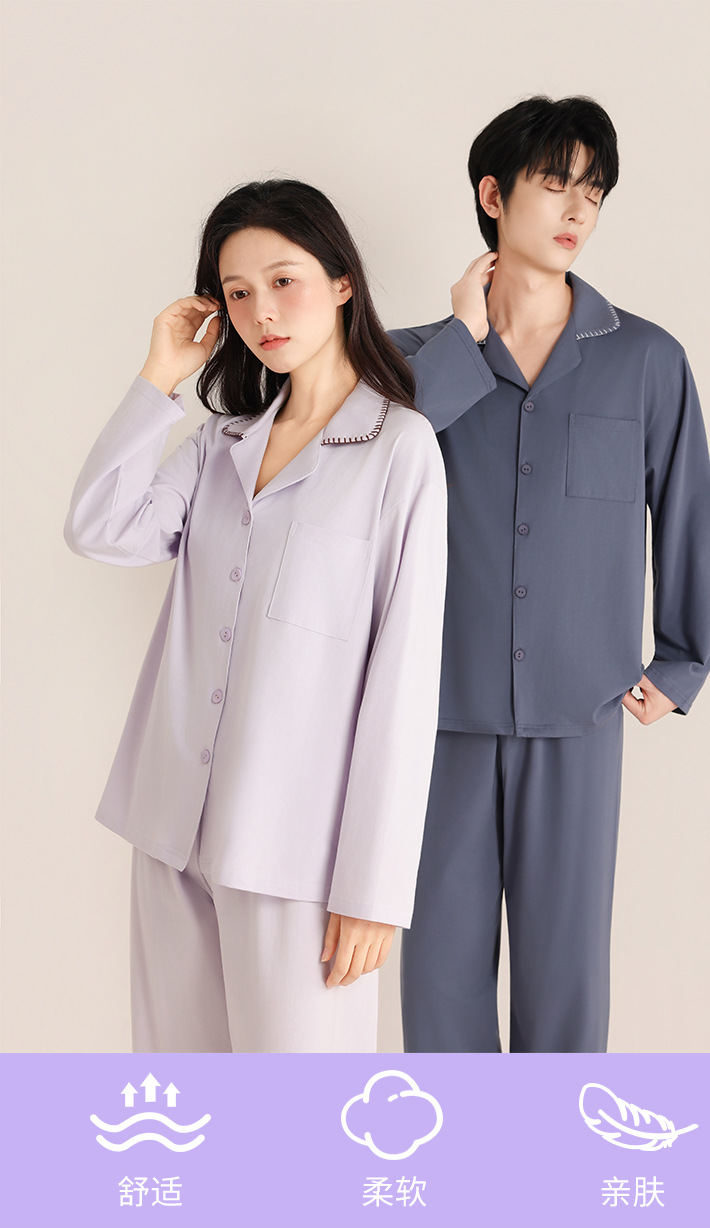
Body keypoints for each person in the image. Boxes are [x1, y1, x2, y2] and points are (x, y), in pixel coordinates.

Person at [64, 179, 447, 1054]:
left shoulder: (399, 451)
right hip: (172, 830)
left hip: (297, 854)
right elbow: (99, 527)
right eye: (237, 293)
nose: (261, 312)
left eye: (283, 281)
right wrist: (160, 376)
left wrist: (374, 888)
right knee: (186, 1107)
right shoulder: (219, 443)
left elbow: (404, 678)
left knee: (296, 1117)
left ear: (342, 281)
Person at [390, 96, 710, 1053]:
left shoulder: (647, 360)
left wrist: (683, 659)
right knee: (438, 974)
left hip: (582, 709)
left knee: (567, 979)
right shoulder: (411, 360)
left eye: (595, 192)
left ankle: (555, 1149)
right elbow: (371, 469)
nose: (579, 209)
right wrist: (460, 343)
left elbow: (686, 510)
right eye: (555, 184)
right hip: (438, 711)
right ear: (493, 196)